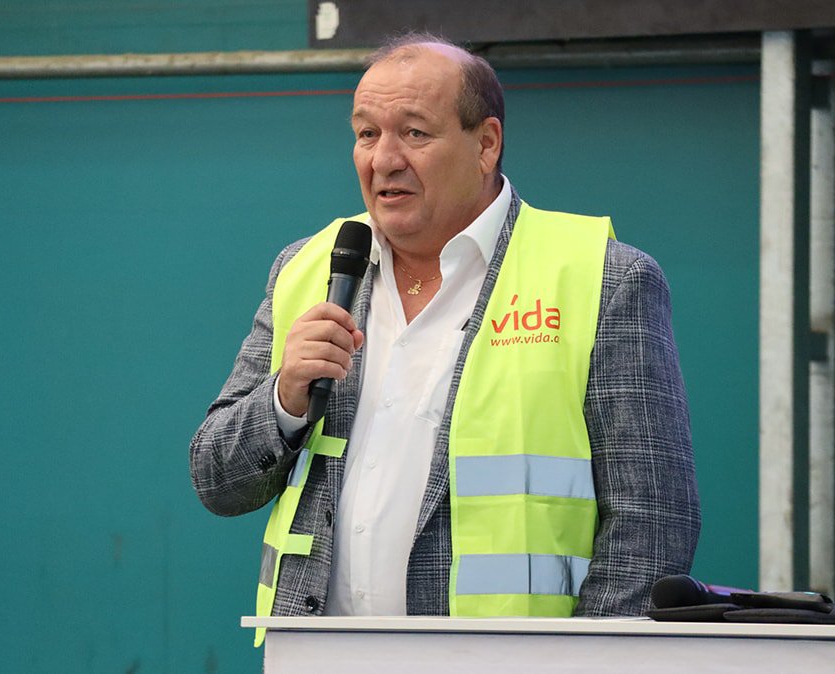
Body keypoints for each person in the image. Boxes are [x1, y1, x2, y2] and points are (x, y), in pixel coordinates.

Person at [189, 34, 700, 632]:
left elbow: (651, 524)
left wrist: (581, 666)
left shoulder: (604, 279)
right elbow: (216, 480)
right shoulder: (308, 269)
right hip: (319, 655)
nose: (383, 160)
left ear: (485, 144)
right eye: (366, 133)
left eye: (414, 133)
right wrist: (285, 398)